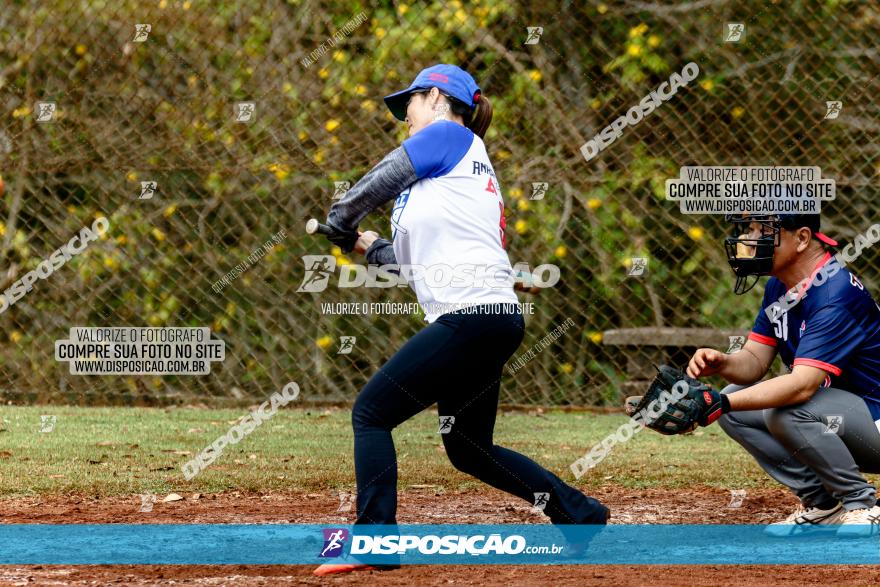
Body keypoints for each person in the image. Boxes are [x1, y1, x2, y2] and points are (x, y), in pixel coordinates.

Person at [313, 64, 609, 576]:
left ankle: (373, 542)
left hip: (470, 319)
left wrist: (342, 216)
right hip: (487, 318)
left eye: (408, 103)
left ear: (434, 97)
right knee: (469, 447)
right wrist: (364, 245)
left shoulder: (450, 134)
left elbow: (381, 177)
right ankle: (578, 514)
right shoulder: (447, 174)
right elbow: (412, 266)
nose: (404, 116)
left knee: (371, 414)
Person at [687, 213, 880, 536]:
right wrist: (722, 363)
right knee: (735, 403)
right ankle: (824, 504)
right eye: (748, 230)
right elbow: (753, 361)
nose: (749, 240)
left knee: (786, 409)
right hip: (845, 415)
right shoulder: (782, 285)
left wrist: (717, 401)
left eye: (761, 231)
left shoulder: (834, 294)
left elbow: (801, 387)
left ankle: (861, 504)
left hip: (875, 420)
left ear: (802, 238)